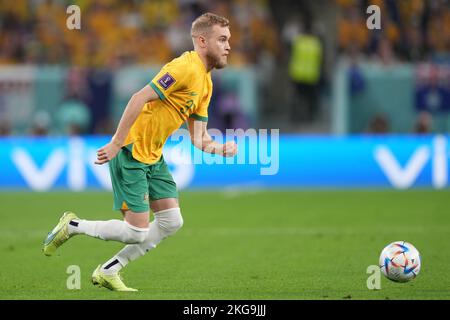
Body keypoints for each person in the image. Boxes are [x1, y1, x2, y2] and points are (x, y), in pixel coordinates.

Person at [42, 13, 237, 292]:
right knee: (136, 232)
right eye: (222, 39)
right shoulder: (184, 67)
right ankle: (72, 225)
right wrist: (116, 142)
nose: (228, 46)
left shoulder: (206, 83)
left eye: (228, 40)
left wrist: (220, 149)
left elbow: (198, 139)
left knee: (172, 221)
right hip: (132, 150)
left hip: (154, 156)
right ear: (202, 41)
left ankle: (109, 270)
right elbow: (139, 97)